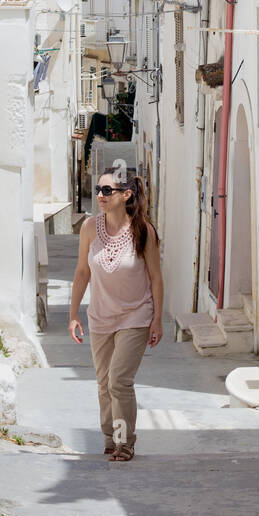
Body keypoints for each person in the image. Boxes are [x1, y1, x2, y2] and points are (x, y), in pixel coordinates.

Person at [68, 167, 163, 461]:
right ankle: (109, 438)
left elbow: (156, 278)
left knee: (118, 381)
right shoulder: (88, 228)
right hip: (100, 317)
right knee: (103, 383)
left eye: (107, 191)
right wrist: (73, 315)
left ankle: (125, 442)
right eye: (98, 190)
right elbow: (82, 272)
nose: (99, 195)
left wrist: (157, 318)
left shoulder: (143, 231)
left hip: (136, 316)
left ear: (126, 195)